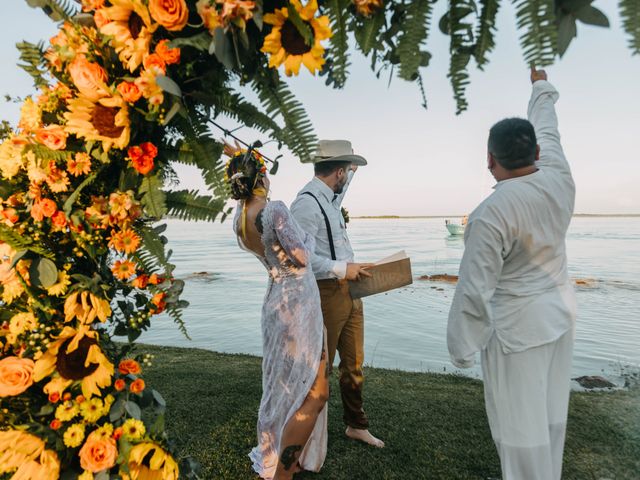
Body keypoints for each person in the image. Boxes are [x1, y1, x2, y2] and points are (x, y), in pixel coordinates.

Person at [447, 67, 576, 480]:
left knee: (520, 432)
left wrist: (462, 349)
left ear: (489, 159)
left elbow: (474, 290)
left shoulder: (490, 214)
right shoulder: (559, 178)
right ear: (537, 153)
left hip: (516, 334)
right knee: (552, 418)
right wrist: (540, 85)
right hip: (561, 316)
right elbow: (549, 128)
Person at [225, 146, 329, 480]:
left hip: (274, 300)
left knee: (281, 382)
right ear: (260, 177)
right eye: (265, 172)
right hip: (298, 305)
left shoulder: (240, 220)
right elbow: (301, 257)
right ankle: (283, 472)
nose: (270, 178)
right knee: (315, 390)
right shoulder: (276, 210)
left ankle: (280, 454)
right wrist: (309, 236)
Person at [291, 140, 384, 448]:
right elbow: (299, 255)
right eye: (346, 171)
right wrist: (344, 269)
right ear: (338, 171)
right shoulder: (305, 204)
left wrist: (352, 171)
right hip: (326, 292)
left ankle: (356, 425)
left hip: (350, 292)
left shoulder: (329, 198)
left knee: (354, 364)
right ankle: (303, 435)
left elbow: (341, 192)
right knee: (320, 367)